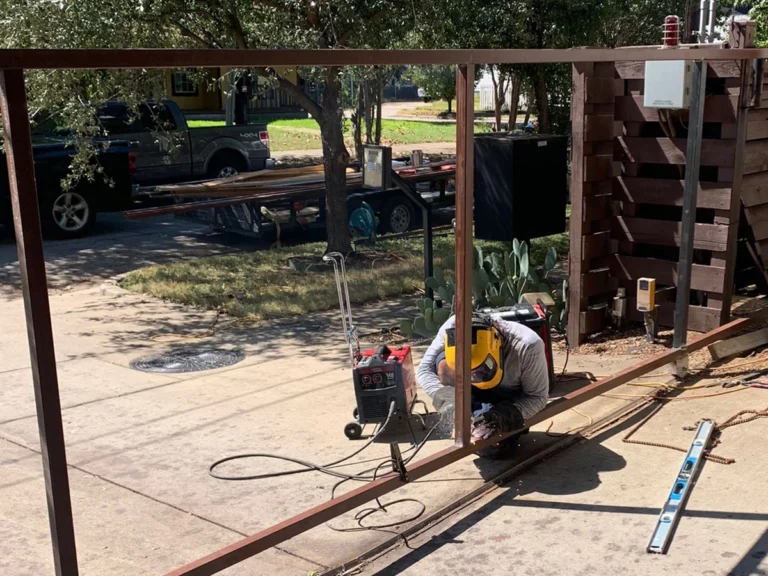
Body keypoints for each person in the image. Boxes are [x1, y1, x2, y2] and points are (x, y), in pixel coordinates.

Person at [417, 312, 549, 459]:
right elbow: (424, 370)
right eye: (472, 372)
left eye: (481, 370)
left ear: (497, 346)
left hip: (507, 394)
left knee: (495, 448)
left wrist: (500, 418)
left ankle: (493, 417)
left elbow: (537, 397)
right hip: (468, 389)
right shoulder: (453, 327)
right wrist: (449, 402)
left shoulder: (527, 345)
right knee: (443, 367)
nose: (475, 376)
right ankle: (471, 410)